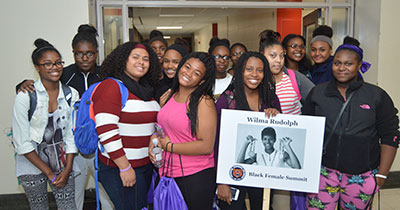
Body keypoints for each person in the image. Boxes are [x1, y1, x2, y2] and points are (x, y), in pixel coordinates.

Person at [16, 24, 113, 210]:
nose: (84, 58)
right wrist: (22, 85)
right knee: (72, 198)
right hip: (72, 149)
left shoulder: (106, 75)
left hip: (101, 145)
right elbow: (43, 88)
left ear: (97, 53)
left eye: (90, 53)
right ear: (73, 53)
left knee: (107, 195)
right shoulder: (63, 74)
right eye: (79, 54)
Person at [303, 37, 399, 210]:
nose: (342, 68)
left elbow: (390, 135)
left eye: (348, 64)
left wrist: (383, 174)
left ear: (359, 65)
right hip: (323, 172)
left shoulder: (376, 95)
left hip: (361, 173)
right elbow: (305, 129)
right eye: (337, 63)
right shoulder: (318, 93)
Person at [12, 38, 79, 209]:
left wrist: (68, 168)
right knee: (39, 207)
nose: (54, 67)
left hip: (62, 160)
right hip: (31, 160)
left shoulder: (71, 94)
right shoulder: (25, 96)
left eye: (58, 63)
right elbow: (22, 142)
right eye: (47, 64)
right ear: (37, 67)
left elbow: (71, 134)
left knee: (68, 206)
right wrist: (49, 173)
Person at [92, 42, 161, 210]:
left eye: (146, 59)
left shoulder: (146, 90)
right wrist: (125, 167)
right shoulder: (111, 86)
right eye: (135, 57)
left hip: (144, 166)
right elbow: (106, 131)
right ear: (123, 60)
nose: (141, 62)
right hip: (121, 167)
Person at [149, 52, 217, 210]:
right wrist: (152, 141)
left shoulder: (203, 102)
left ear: (202, 81)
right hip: (167, 172)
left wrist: (169, 146)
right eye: (187, 67)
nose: (189, 73)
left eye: (197, 73)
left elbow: (206, 146)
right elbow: (164, 128)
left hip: (194, 177)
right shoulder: (169, 96)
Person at [215, 52, 281, 210]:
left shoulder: (270, 98)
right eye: (249, 69)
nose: (254, 74)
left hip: (263, 172)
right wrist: (222, 181)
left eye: (260, 70)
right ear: (240, 71)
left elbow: (280, 131)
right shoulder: (227, 100)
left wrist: (278, 116)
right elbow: (217, 142)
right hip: (233, 173)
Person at [259, 30, 314, 111]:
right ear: (262, 55)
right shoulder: (256, 80)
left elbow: (317, 99)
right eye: (272, 55)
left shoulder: (294, 78)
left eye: (281, 56)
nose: (278, 60)